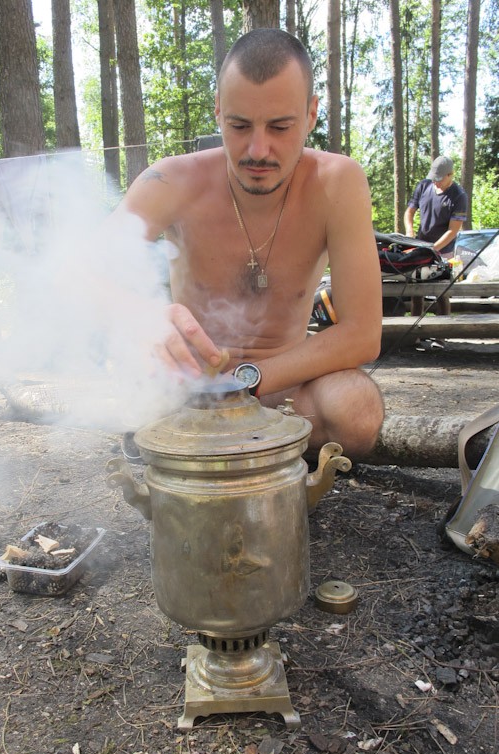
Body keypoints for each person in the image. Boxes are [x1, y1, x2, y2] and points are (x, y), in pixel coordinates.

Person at [115, 28, 384, 459]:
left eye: (280, 126)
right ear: (219, 112)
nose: (259, 149)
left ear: (312, 114)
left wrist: (247, 379)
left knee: (355, 407)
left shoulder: (338, 182)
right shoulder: (172, 179)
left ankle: (263, 467)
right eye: (240, 126)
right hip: (187, 386)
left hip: (282, 389)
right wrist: (141, 317)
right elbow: (79, 266)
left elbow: (362, 334)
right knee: (131, 393)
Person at [404, 155, 468, 317]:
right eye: (434, 178)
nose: (435, 182)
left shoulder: (459, 196)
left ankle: (440, 337)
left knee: (442, 293)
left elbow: (453, 230)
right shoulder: (424, 186)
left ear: (450, 175)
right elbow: (409, 212)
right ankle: (415, 334)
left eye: (439, 179)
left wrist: (433, 249)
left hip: (443, 251)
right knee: (416, 291)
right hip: (419, 245)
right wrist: (409, 232)